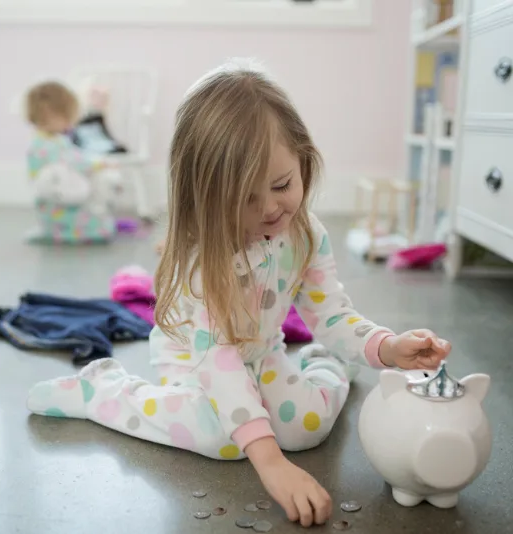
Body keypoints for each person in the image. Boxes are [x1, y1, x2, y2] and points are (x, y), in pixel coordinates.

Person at [26, 59, 452, 526]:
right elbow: (221, 364)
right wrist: (270, 464)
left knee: (304, 429)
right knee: (225, 439)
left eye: (282, 184)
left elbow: (331, 315)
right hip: (196, 359)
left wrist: (386, 347)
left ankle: (328, 365)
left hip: (262, 350)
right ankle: (101, 391)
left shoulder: (305, 232)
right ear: (206, 198)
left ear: (303, 159)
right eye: (246, 199)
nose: (271, 208)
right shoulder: (204, 261)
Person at [24, 81, 121, 243]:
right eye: (67, 117)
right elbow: (77, 162)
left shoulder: (37, 142)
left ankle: (51, 228)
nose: (71, 122)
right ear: (53, 116)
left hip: (46, 206)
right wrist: (102, 164)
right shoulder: (54, 144)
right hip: (63, 205)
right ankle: (70, 231)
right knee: (102, 226)